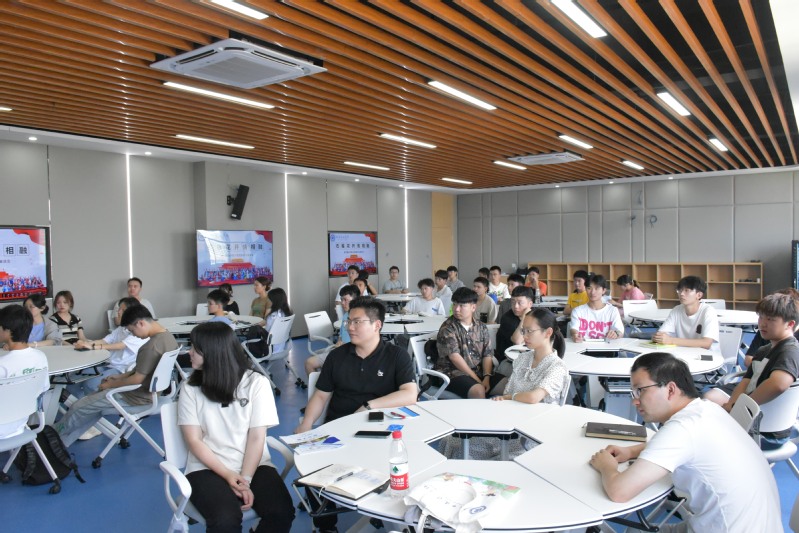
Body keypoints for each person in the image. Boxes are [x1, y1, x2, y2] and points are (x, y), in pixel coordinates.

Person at [588, 352, 782, 532]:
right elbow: (683, 444)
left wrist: (606, 466)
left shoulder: (682, 428)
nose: (635, 401)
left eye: (640, 391)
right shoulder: (707, 410)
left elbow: (619, 492)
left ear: (670, 389)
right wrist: (631, 451)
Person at [295, 296, 417, 533]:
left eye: (357, 322)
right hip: (338, 431)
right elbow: (320, 396)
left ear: (377, 325)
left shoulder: (396, 355)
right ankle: (326, 525)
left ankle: (387, 513)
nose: (350, 327)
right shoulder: (337, 356)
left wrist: (369, 406)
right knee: (310, 466)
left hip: (382, 433)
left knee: (398, 466)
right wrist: (306, 424)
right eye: (348, 321)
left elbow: (410, 394)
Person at [178, 322, 294, 533]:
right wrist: (228, 474)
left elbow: (257, 437)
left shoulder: (256, 383)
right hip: (207, 467)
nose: (189, 352)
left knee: (282, 512)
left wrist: (245, 480)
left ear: (213, 353)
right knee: (225, 520)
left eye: (195, 348)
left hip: (254, 464)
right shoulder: (190, 388)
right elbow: (194, 440)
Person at [439, 308, 569, 460]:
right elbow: (508, 393)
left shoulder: (557, 367)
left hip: (529, 437)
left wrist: (509, 398)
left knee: (466, 450)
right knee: (450, 442)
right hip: (507, 425)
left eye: (529, 331)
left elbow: (533, 397)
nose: (524, 336)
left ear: (548, 332)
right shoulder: (523, 359)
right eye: (523, 331)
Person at [56, 305, 178, 447]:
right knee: (91, 408)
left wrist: (110, 385)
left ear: (141, 323)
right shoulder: (169, 338)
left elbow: (137, 379)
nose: (134, 335)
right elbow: (142, 371)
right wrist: (118, 378)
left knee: (78, 407)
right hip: (151, 394)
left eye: (132, 331)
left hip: (134, 397)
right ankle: (61, 443)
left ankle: (53, 438)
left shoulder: (150, 347)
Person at [705, 292, 799, 450]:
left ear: (789, 324)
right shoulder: (764, 350)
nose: (762, 324)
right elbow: (745, 382)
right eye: (761, 317)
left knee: (702, 426)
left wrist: (740, 408)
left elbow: (779, 384)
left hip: (766, 433)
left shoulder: (790, 351)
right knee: (702, 410)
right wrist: (732, 405)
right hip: (752, 422)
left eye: (770, 319)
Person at [72, 297, 148, 396]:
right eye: (119, 309)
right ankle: (79, 402)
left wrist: (93, 347)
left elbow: (120, 346)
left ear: (132, 312)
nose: (119, 312)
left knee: (90, 384)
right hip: (108, 364)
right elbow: (105, 340)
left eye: (123, 310)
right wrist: (86, 344)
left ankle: (91, 404)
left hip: (121, 369)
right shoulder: (122, 328)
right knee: (75, 379)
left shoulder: (138, 331)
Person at [435, 287, 501, 398]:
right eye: (454, 304)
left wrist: (486, 377)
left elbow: (487, 354)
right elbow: (455, 358)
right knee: (479, 391)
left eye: (462, 305)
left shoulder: (481, 327)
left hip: (478, 371)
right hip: (452, 373)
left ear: (473, 307)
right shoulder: (447, 328)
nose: (456, 309)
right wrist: (478, 380)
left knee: (508, 385)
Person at [0, 304, 49, 439]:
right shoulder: (40, 357)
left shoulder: (3, 365)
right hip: (20, 425)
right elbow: (43, 389)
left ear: (8, 331)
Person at [652, 276, 719, 352]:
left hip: (707, 355)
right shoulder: (676, 310)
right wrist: (658, 337)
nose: (681, 294)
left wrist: (671, 340)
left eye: (687, 290)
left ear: (699, 295)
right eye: (680, 290)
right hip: (683, 353)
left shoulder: (708, 311)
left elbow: (706, 343)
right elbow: (662, 333)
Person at [304, 284, 359, 376]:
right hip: (341, 350)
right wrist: (339, 341)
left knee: (309, 363)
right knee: (309, 363)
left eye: (345, 300)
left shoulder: (358, 319)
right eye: (341, 299)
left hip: (349, 353)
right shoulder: (346, 315)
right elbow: (342, 335)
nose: (342, 303)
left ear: (355, 300)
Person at [495, 286, 534, 380]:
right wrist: (525, 317)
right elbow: (517, 341)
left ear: (530, 304)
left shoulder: (536, 316)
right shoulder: (507, 318)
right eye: (513, 302)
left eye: (520, 303)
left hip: (530, 359)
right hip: (508, 361)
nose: (515, 306)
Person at [569, 275, 624, 342]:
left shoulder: (612, 310)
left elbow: (620, 331)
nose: (592, 292)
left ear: (603, 290)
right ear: (585, 289)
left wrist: (616, 334)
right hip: (583, 346)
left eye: (597, 288)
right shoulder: (578, 311)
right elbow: (574, 328)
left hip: (607, 347)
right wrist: (575, 334)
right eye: (589, 288)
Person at [264, 287, 292, 353]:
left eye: (268, 299)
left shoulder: (272, 316)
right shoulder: (287, 313)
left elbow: (267, 331)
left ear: (274, 301)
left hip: (270, 349)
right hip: (283, 347)